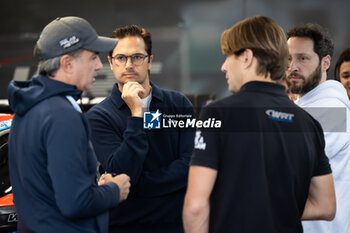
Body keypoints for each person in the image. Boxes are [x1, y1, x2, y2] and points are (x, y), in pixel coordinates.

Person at [182, 15, 336, 233]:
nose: (224, 66)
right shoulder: (309, 123)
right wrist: (274, 209)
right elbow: (326, 206)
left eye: (228, 56)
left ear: (246, 58)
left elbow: (196, 208)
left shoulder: (217, 114)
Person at [7, 16, 131, 233]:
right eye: (93, 57)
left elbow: (48, 191)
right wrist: (114, 190)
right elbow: (75, 202)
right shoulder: (61, 115)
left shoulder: (27, 109)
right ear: (67, 63)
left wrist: (94, 189)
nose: (99, 66)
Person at [86, 25, 195, 233]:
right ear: (110, 62)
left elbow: (189, 166)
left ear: (150, 61)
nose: (129, 65)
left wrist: (135, 185)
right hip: (125, 226)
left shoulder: (178, 104)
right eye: (120, 58)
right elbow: (123, 170)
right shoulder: (98, 117)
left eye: (137, 57)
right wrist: (137, 114)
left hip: (174, 225)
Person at [286, 23, 350, 233]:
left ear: (325, 62)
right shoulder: (303, 106)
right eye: (289, 58)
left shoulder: (332, 110)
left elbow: (287, 167)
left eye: (303, 58)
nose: (293, 66)